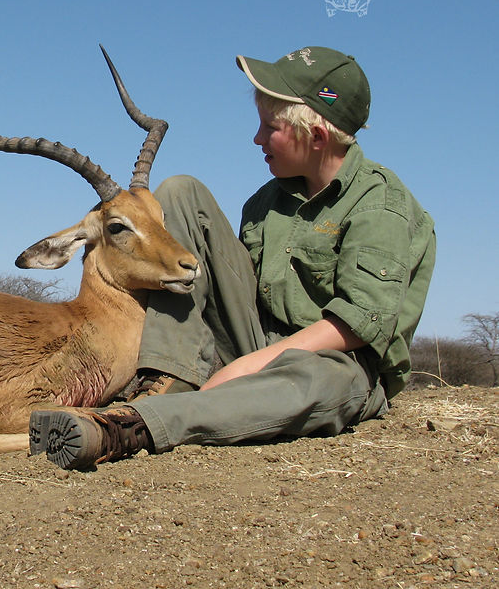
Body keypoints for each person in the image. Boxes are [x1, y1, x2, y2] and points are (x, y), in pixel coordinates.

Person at [28, 46, 436, 470]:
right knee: (180, 190)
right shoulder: (267, 201)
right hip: (257, 336)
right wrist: (243, 356)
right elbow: (234, 290)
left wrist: (250, 365)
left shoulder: (381, 206)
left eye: (270, 127)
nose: (257, 138)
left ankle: (130, 426)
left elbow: (358, 325)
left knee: (320, 383)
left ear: (315, 137)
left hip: (340, 361)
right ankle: (167, 380)